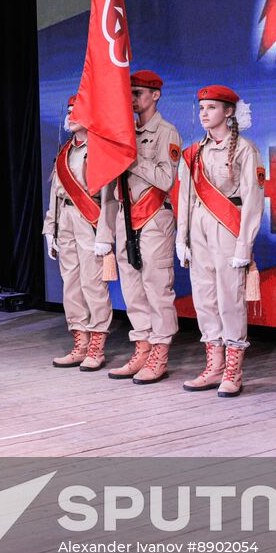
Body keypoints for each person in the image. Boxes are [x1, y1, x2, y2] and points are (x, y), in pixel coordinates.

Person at [173, 85, 264, 395]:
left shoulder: (244, 149)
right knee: (205, 298)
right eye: (201, 108)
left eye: (211, 107)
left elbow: (253, 199)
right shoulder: (192, 152)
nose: (204, 114)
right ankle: (213, 367)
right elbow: (184, 196)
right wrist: (181, 237)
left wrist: (244, 246)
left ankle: (233, 371)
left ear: (228, 112)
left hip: (228, 227)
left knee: (229, 299)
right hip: (198, 228)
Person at [100, 70, 181, 380]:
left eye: (139, 93)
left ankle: (160, 352)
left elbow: (165, 179)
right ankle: (143, 348)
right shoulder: (125, 132)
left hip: (153, 217)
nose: (132, 99)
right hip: (125, 216)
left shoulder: (166, 132)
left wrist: (132, 157)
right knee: (132, 288)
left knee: (156, 285)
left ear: (155, 95)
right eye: (130, 93)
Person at [44, 94, 114, 370]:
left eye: (77, 110)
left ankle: (97, 346)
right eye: (69, 110)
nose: (71, 115)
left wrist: (104, 235)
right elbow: (55, 192)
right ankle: (80, 341)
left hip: (90, 221)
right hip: (66, 222)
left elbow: (109, 197)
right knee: (71, 285)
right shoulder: (65, 152)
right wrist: (50, 228)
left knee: (92, 284)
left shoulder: (98, 151)